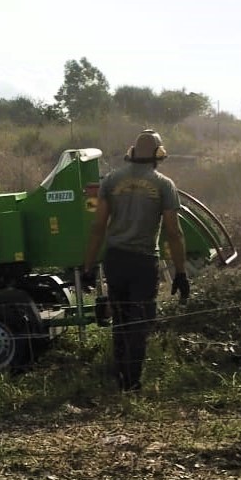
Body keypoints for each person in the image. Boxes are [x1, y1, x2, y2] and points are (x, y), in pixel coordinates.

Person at [83, 130, 190, 392]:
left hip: (115, 260)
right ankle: (132, 382)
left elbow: (98, 227)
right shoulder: (164, 184)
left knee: (120, 319)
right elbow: (174, 232)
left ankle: (120, 377)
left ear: (132, 152)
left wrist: (88, 267)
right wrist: (180, 272)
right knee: (140, 322)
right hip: (144, 262)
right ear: (158, 156)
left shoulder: (110, 180)